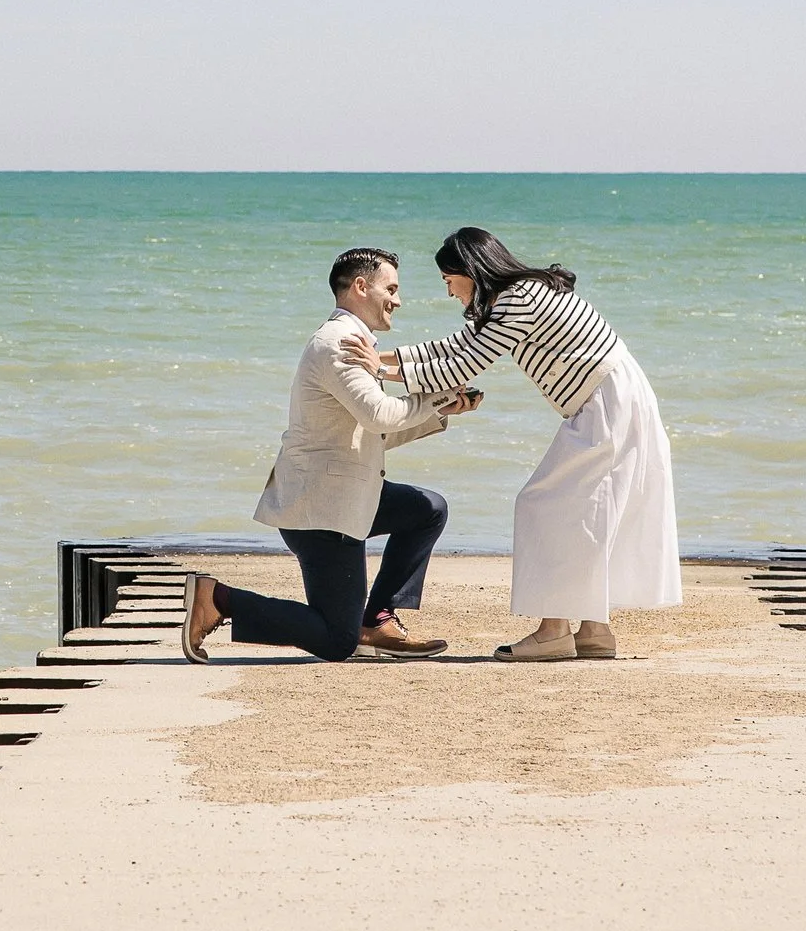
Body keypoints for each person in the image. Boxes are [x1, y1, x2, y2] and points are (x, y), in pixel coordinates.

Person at [352, 227, 678, 662]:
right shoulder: (516, 296)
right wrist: (385, 358)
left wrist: (383, 372)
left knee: (544, 503)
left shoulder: (518, 299)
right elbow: (456, 346)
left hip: (607, 400)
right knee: (587, 509)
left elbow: (466, 364)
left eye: (449, 281)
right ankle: (594, 630)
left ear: (470, 270)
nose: (450, 293)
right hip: (611, 397)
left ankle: (554, 631)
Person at [180, 247, 480, 664]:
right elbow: (378, 415)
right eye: (390, 288)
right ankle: (219, 598)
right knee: (337, 640)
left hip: (345, 499)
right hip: (321, 511)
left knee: (427, 509)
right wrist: (435, 398)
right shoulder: (339, 343)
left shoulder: (352, 342)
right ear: (360, 286)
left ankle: (376, 619)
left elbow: (366, 436)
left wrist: (439, 410)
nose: (397, 300)